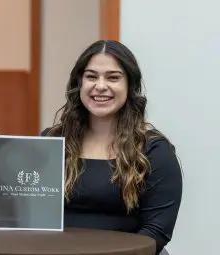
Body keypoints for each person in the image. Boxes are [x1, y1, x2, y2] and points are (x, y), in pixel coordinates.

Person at [41, 40, 182, 255]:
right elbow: (28, 216)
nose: (100, 86)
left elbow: (156, 232)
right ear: (78, 83)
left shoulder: (153, 151)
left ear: (130, 85)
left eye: (113, 77)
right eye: (91, 76)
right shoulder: (50, 141)